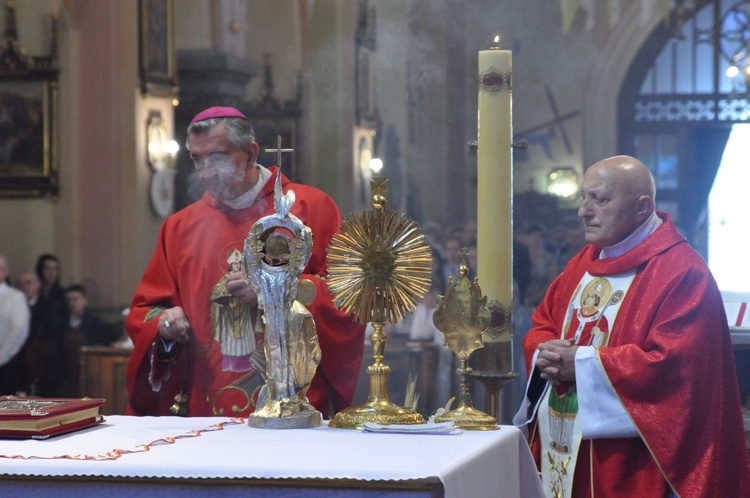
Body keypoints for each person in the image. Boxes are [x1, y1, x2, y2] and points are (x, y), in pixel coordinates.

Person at [513, 155, 749, 497]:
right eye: (583, 197)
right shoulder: (583, 264)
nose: (584, 211)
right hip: (565, 446)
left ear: (643, 207)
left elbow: (675, 370)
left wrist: (579, 365)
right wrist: (543, 353)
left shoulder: (681, 272)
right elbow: (543, 324)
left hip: (633, 463)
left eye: (600, 199)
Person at [125, 106, 365, 418]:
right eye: (199, 160)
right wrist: (165, 324)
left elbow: (349, 299)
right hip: (206, 410)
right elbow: (147, 310)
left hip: (296, 407)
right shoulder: (181, 228)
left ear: (250, 155)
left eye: (219, 158)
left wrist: (274, 291)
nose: (207, 171)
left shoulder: (310, 208)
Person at [15, 269, 65, 396]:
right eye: (20, 284)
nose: (24, 287)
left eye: (28, 283)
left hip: (43, 359)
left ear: (38, 284)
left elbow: (49, 332)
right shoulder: (12, 308)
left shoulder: (50, 306)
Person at [59, 284, 109, 397]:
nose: (72, 304)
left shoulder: (93, 322)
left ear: (84, 301)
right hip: (66, 371)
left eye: (75, 299)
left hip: (87, 370)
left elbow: (99, 345)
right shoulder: (61, 322)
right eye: (69, 300)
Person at [0, 254, 30, 396]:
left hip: (7, 363)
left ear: (6, 272)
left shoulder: (15, 297)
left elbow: (18, 331)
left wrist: (1, 356)